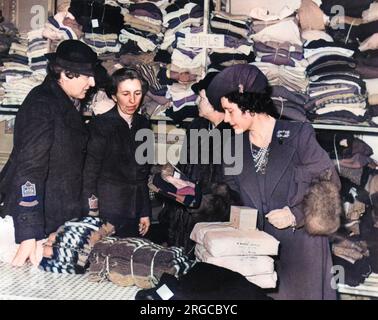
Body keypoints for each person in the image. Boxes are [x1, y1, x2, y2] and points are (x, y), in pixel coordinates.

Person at [206, 64, 341, 300]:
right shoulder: (233, 147)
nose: (226, 119)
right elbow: (230, 195)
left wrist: (294, 215)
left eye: (230, 111)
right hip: (259, 252)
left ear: (248, 105)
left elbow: (329, 184)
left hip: (302, 250)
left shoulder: (299, 135)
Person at [0, 40, 98, 266]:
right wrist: (28, 233)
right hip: (32, 224)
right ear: (65, 74)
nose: (92, 83)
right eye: (86, 76)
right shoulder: (42, 104)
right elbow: (29, 170)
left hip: (54, 218)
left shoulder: (64, 101)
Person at [158, 72, 236, 254]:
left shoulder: (233, 134)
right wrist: (171, 172)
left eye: (200, 98)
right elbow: (185, 163)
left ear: (216, 102)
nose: (196, 102)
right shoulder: (197, 125)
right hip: (184, 213)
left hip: (212, 219)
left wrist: (202, 201)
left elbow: (230, 188)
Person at [82, 68, 151, 238]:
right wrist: (93, 213)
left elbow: (143, 172)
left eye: (137, 93)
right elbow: (90, 174)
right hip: (107, 209)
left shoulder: (144, 124)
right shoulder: (100, 125)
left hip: (134, 209)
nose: (132, 100)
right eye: (125, 93)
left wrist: (144, 211)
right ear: (114, 96)